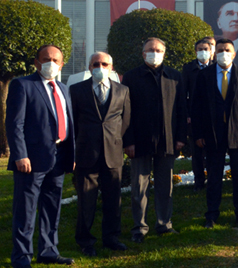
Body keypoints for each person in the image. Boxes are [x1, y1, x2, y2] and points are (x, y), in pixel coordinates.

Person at [7, 44, 76, 267]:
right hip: (31, 159)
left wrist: (71, 154)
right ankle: (22, 257)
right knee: (25, 211)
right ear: (36, 62)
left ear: (62, 64)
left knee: (52, 208)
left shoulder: (64, 88)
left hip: (59, 156)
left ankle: (48, 251)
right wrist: (20, 155)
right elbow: (15, 123)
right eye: (46, 59)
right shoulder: (23, 85)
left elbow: (68, 123)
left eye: (56, 60)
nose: (51, 64)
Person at [122, 37, 187, 243]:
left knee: (164, 185)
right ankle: (139, 227)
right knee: (139, 187)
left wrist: (180, 138)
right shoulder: (131, 77)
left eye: (159, 50)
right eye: (151, 50)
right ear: (143, 54)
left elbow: (181, 110)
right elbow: (126, 112)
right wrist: (128, 141)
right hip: (140, 141)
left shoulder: (175, 76)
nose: (155, 53)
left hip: (167, 140)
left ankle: (164, 224)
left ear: (164, 53)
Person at [191, 38, 238, 229]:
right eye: (220, 50)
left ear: (234, 53)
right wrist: (197, 134)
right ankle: (212, 214)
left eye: (227, 50)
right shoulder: (204, 76)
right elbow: (196, 108)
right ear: (215, 53)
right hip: (212, 134)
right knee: (214, 177)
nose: (224, 53)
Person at [70, 52, 131, 257]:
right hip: (86, 153)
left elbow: (126, 120)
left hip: (113, 153)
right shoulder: (76, 90)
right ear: (89, 67)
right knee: (86, 201)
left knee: (113, 199)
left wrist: (114, 140)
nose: (100, 67)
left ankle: (112, 237)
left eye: (104, 64)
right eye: (96, 64)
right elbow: (73, 122)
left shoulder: (123, 90)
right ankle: (85, 241)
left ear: (111, 67)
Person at [181, 38, 214, 192]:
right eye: (200, 49)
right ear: (195, 52)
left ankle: (214, 180)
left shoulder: (216, 67)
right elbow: (183, 93)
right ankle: (199, 182)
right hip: (195, 115)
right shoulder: (188, 69)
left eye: (206, 49)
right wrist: (187, 114)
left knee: (213, 150)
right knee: (197, 151)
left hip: (213, 114)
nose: (203, 52)